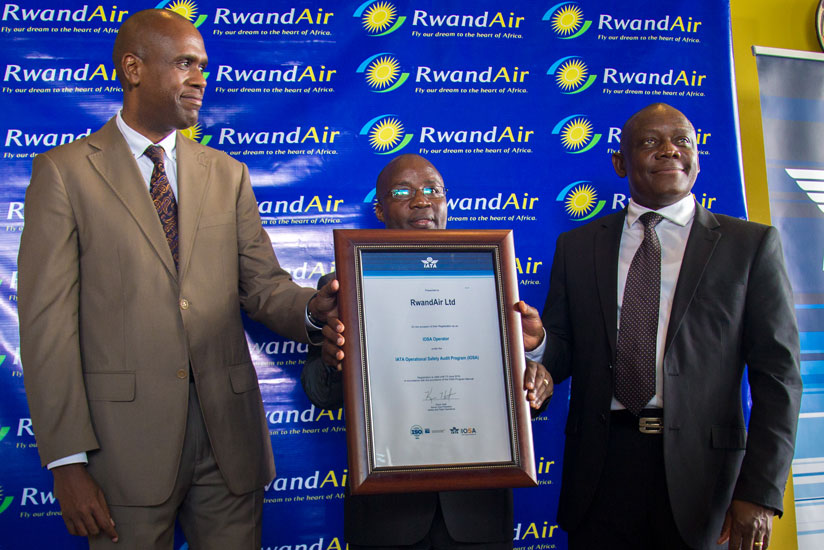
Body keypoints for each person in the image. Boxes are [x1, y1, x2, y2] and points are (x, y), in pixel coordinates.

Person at [17, 9, 338, 550]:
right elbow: (47, 326)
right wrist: (67, 461)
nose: (200, 79)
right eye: (186, 63)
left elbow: (263, 286)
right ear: (133, 68)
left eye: (204, 67)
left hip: (228, 442)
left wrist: (316, 310)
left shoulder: (226, 173)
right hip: (119, 451)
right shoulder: (64, 173)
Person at [540, 102, 802, 550]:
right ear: (619, 162)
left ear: (698, 156)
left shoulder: (750, 246)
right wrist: (539, 346)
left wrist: (759, 491)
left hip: (705, 482)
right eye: (649, 141)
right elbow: (562, 353)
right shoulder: (577, 246)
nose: (668, 150)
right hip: (601, 473)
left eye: (682, 140)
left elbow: (778, 378)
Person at [302, 153, 552, 550]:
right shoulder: (345, 282)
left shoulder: (491, 271)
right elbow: (319, 390)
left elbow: (528, 397)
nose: (422, 200)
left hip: (479, 516)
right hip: (387, 516)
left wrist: (534, 361)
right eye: (403, 192)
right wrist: (336, 363)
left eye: (433, 190)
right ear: (380, 209)